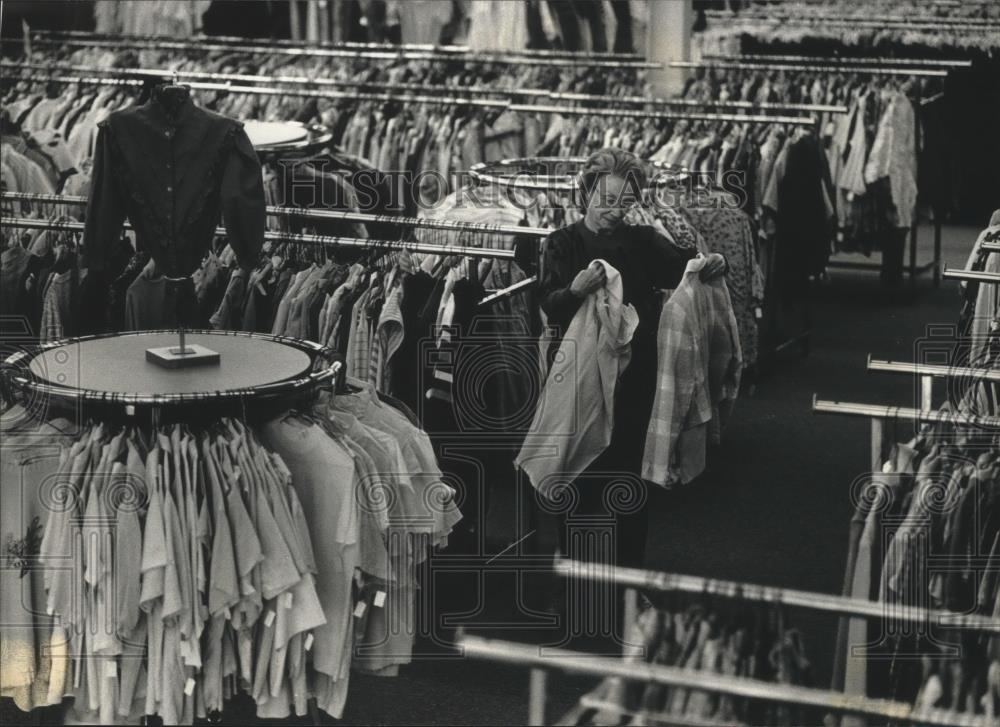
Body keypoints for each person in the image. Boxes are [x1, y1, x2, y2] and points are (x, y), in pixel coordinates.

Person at [537, 148, 726, 571]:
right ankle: (574, 582)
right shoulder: (562, 243)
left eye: (625, 202)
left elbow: (686, 269)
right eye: (606, 199)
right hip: (580, 380)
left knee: (629, 484)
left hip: (634, 379)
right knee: (577, 478)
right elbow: (550, 306)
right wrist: (577, 290)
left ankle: (629, 584)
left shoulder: (642, 241)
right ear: (586, 192)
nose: (614, 211)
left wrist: (713, 264)